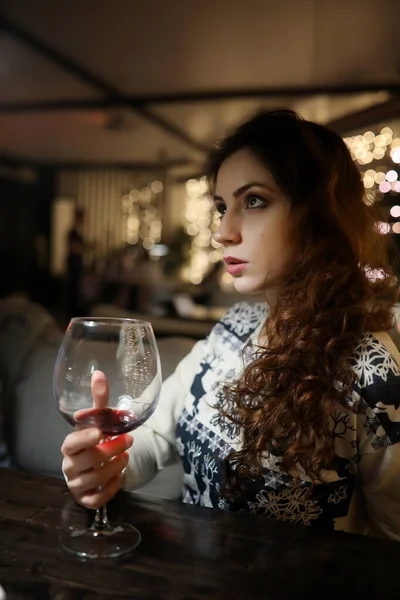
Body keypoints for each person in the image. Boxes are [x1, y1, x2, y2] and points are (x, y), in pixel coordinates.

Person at [61, 109, 400, 540]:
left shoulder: (370, 369)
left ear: (319, 214)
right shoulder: (235, 326)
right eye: (223, 207)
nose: (223, 231)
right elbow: (152, 439)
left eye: (253, 200)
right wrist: (101, 464)